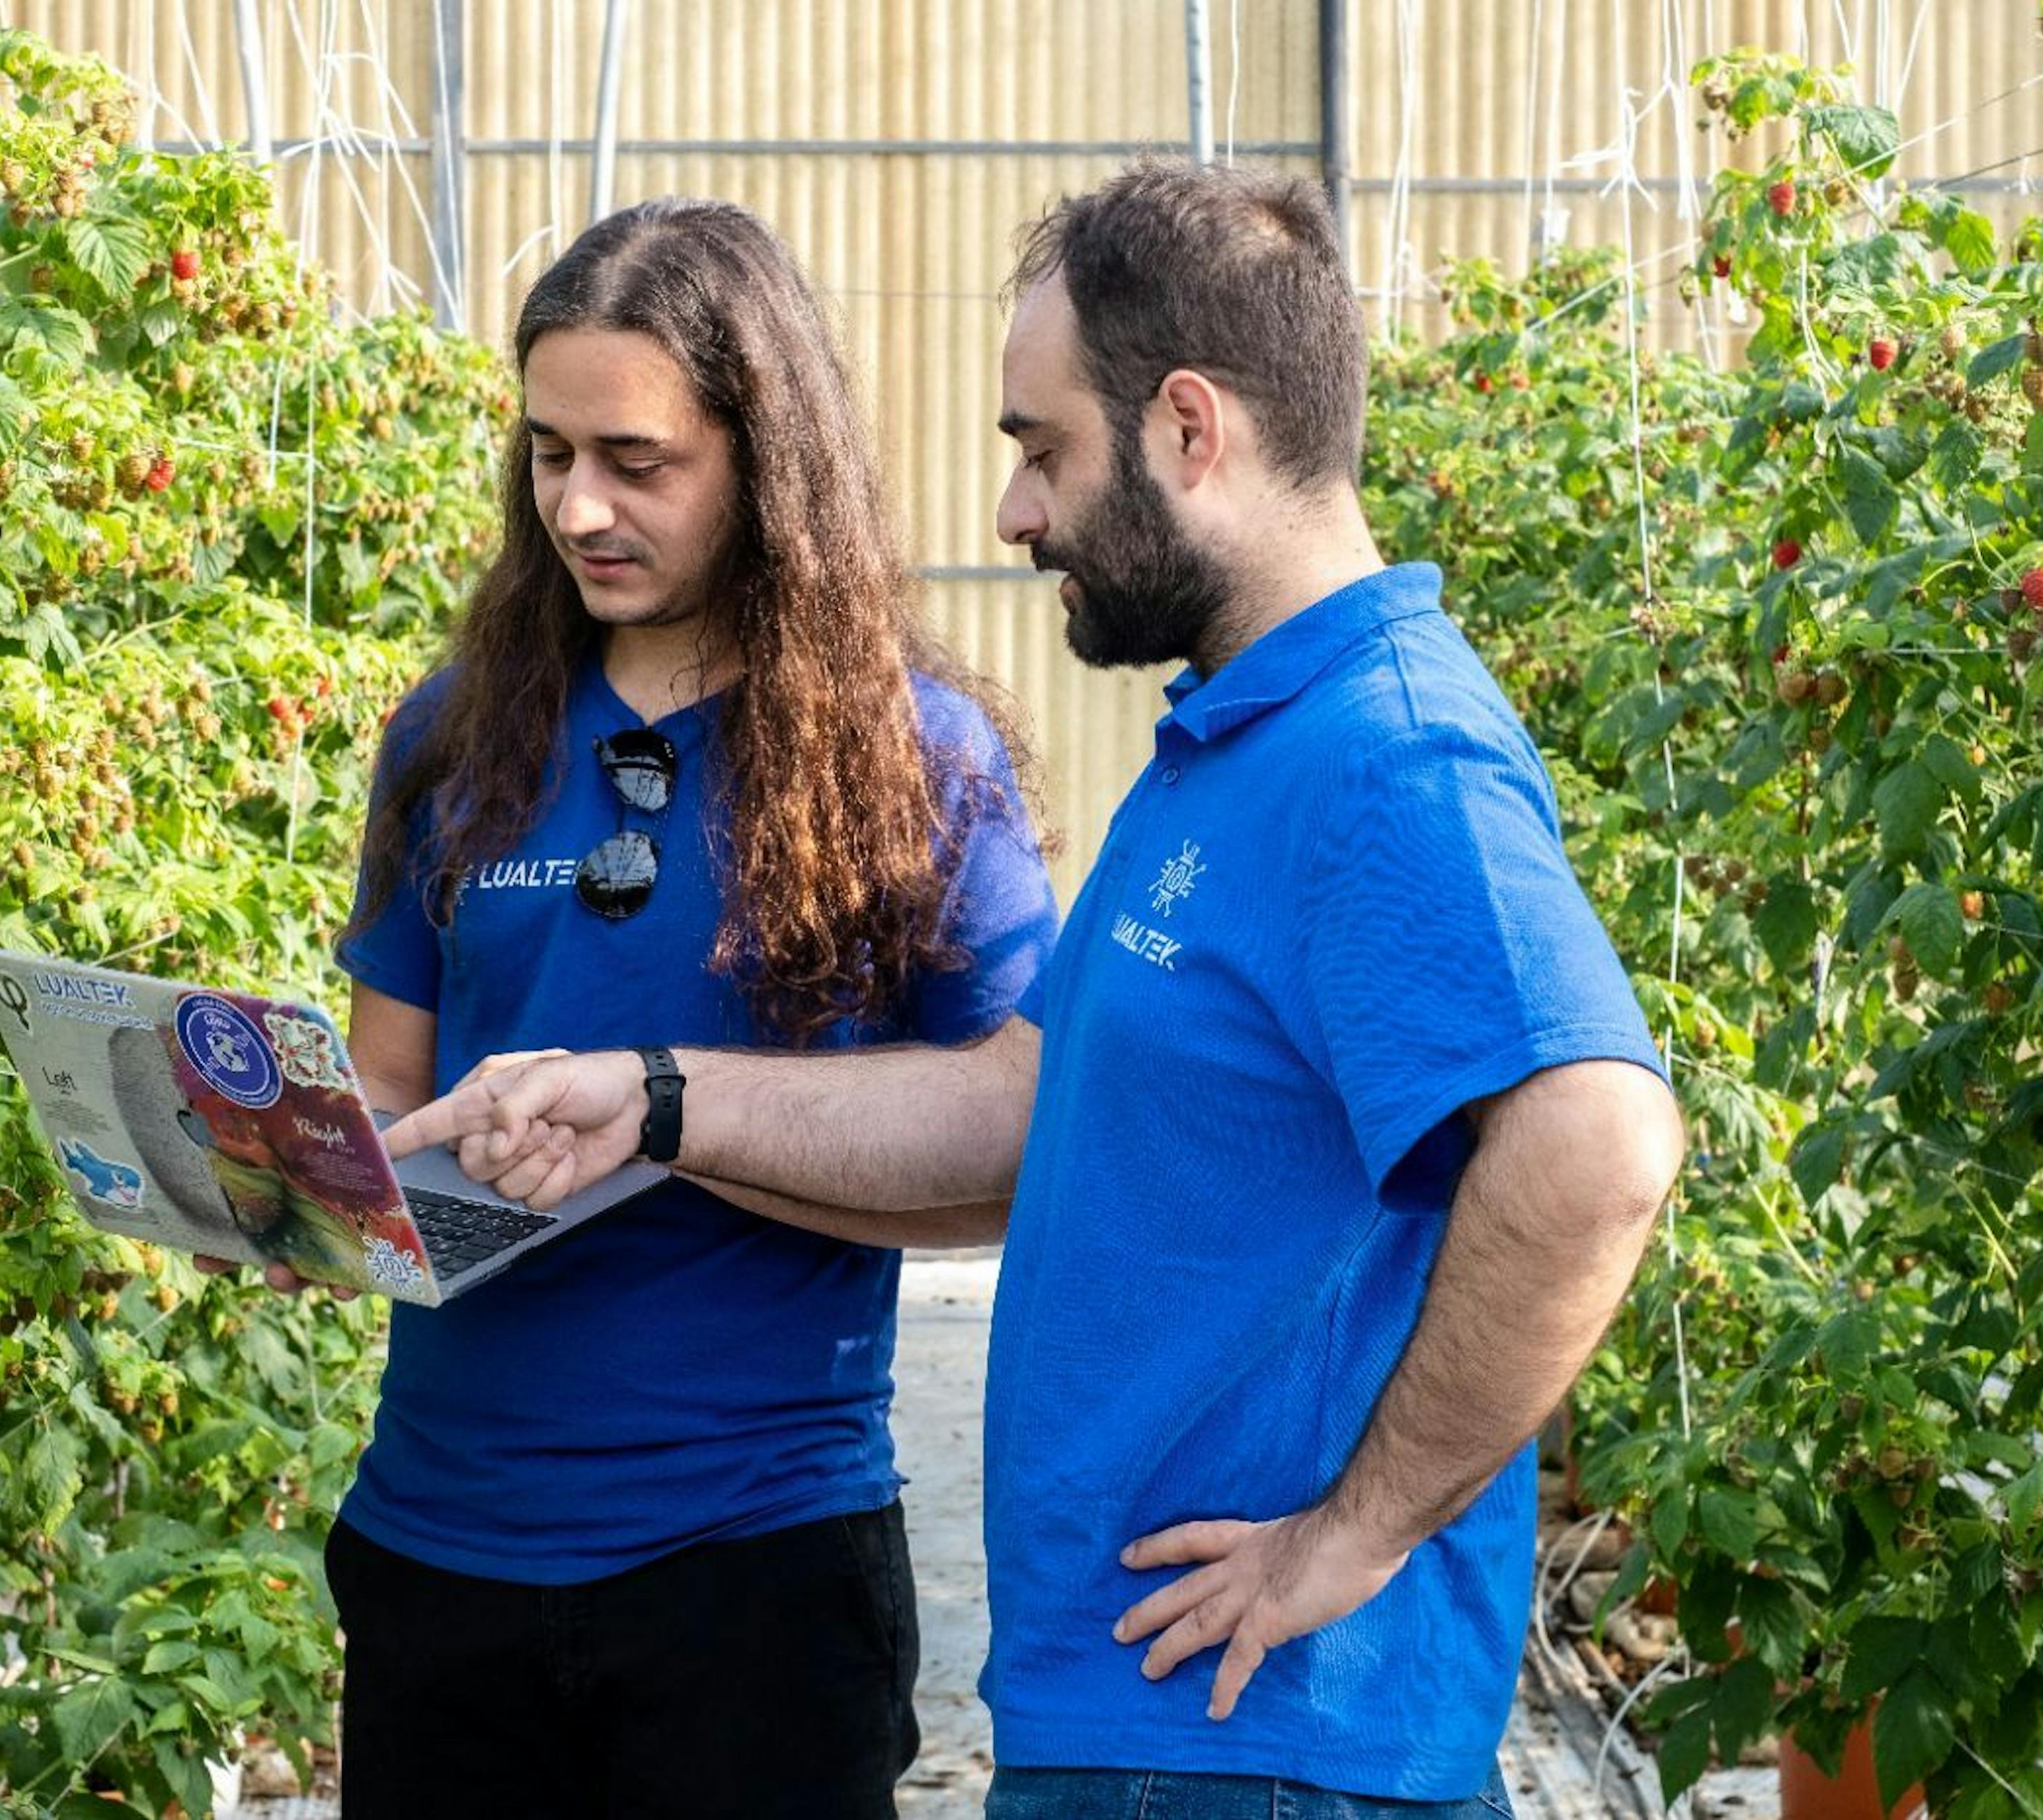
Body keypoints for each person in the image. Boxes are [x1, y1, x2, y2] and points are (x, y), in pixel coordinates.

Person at [388, 163, 1687, 1818]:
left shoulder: (1389, 754)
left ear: (1190, 429)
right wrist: (655, 1094)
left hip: (1262, 1742)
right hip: (1146, 1714)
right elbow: (1020, 1095)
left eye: (1041, 447)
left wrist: (1352, 1531)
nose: (1014, 513)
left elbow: (1600, 1144)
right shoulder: (1233, 743)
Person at [221, 197, 1058, 1819]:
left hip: (752, 1560)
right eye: (547, 456)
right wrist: (270, 1170)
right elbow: (386, 1100)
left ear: (764, 459)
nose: (580, 507)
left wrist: (670, 1121)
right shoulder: (457, 735)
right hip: (437, 1549)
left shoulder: (912, 758)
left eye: (637, 460)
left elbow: (1022, 1136)